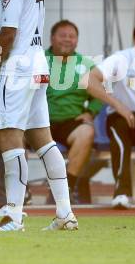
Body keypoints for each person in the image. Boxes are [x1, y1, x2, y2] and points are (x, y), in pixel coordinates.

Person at [0, 0, 78, 231]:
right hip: (37, 66)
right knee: (43, 139)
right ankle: (65, 213)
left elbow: (8, 33)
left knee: (9, 137)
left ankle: (12, 215)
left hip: (18, 68)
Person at [46, 20, 103, 202]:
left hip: (70, 123)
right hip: (40, 123)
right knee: (15, 134)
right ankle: (20, 193)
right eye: (63, 35)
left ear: (77, 41)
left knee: (86, 132)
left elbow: (101, 95)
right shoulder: (38, 60)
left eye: (72, 36)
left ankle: (65, 190)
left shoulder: (87, 65)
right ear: (52, 38)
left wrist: (91, 112)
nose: (67, 40)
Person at [82, 24, 135, 209]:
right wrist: (118, 105)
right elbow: (90, 80)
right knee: (119, 131)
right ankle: (122, 192)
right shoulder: (121, 59)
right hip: (122, 115)